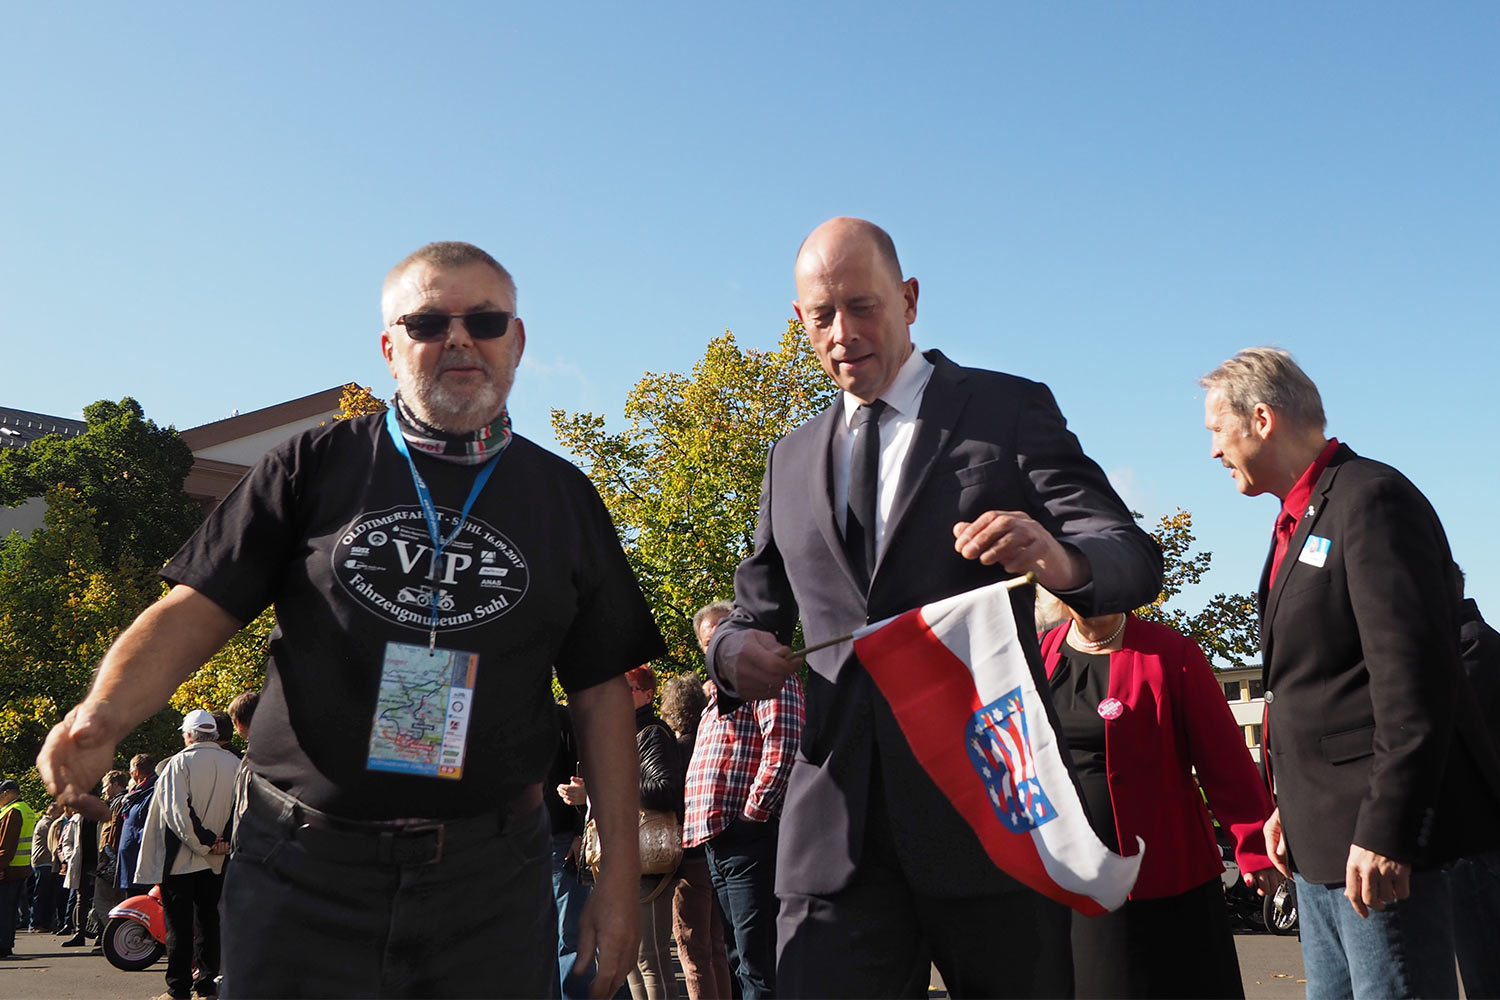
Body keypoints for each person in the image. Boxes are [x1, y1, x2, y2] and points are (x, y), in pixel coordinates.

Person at [37, 240, 663, 999]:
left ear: (518, 342)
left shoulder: (566, 497)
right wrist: (103, 714)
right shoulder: (309, 465)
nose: (459, 338)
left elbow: (602, 695)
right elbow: (193, 611)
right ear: (389, 347)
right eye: (428, 321)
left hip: (490, 882)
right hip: (300, 871)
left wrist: (619, 882)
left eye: (486, 319)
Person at [708, 217, 1163, 997]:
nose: (843, 333)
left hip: (989, 818)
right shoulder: (787, 459)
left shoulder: (1005, 411)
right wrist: (730, 653)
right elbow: (754, 607)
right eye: (823, 316)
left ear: (910, 299)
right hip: (832, 837)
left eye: (864, 306)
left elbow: (1129, 552)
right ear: (799, 321)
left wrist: (1058, 558)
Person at [1201, 347, 1500, 998]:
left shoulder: (1371, 500)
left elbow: (1411, 679)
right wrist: (1284, 802)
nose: (1213, 452)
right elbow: (1314, 686)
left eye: (1215, 431)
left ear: (1260, 418)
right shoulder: (1295, 522)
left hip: (1373, 851)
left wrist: (1387, 829)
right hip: (1316, 848)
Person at [1036, 591, 1278, 998]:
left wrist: (1254, 848)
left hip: (1163, 880)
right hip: (1068, 878)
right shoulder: (1040, 652)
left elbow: (1224, 760)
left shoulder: (1170, 651)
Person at [685, 601, 801, 999]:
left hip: (748, 835)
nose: (718, 643)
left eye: (724, 631)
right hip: (717, 841)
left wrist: (754, 813)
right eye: (708, 641)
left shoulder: (766, 676)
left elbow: (785, 743)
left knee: (758, 965)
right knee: (738, 961)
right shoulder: (714, 701)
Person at [133, 709, 239, 999]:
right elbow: (242, 810)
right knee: (209, 923)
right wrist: (224, 841)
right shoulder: (235, 764)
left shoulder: (178, 764)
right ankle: (207, 985)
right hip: (218, 858)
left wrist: (204, 840)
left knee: (178, 927)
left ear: (189, 734)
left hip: (181, 860)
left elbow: (177, 812)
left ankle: (177, 988)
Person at [660, 671, 733, 1000]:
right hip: (716, 853)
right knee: (717, 949)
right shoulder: (710, 744)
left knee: (693, 955)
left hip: (688, 861)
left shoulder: (674, 752)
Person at [1448, 565, 1500, 998]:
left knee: (1485, 969)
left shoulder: (1469, 646)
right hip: (1474, 843)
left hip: (1477, 844)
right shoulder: (1472, 642)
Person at [626, 665, 685, 1000]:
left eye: (627, 688)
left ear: (647, 694)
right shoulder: (621, 731)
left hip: (647, 856)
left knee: (651, 957)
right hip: (623, 854)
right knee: (630, 958)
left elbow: (663, 789)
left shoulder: (651, 731)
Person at [547, 702, 595, 1000]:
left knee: (570, 937)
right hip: (520, 843)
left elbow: (579, 774)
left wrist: (579, 833)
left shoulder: (563, 718)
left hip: (561, 842)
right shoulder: (506, 711)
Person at [0, 778, 39, 960]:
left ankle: (3, 945)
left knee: (4, 909)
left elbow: (6, 844)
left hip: (8, 869)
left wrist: (1, 865)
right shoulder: (26, 810)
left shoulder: (12, 812)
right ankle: (6, 944)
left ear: (7, 793)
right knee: (10, 908)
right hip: (20, 867)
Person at [116, 753, 158, 897]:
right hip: (130, 862)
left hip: (140, 864)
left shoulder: (152, 791)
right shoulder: (136, 793)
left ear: (137, 772)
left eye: (130, 770)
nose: (130, 774)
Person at [27, 803, 60, 932]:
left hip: (45, 862)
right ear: (53, 812)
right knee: (41, 894)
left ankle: (44, 923)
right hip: (43, 862)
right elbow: (54, 841)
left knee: (46, 894)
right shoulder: (47, 824)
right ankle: (35, 923)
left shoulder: (46, 823)